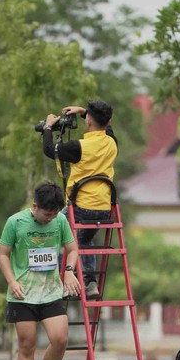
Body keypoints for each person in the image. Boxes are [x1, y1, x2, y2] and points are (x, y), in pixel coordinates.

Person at [0, 181, 80, 360]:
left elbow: (72, 249)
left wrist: (69, 271)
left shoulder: (60, 221)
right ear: (35, 206)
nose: (50, 218)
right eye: (47, 214)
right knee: (27, 345)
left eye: (54, 214)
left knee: (60, 339)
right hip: (22, 294)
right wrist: (12, 281)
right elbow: (3, 255)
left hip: (50, 292)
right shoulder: (15, 222)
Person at [42, 100, 117, 299]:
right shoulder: (111, 142)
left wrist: (48, 126)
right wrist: (84, 111)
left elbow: (50, 149)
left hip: (81, 208)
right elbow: (107, 127)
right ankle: (90, 282)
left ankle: (62, 282)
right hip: (104, 209)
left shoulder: (79, 147)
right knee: (83, 239)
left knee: (55, 231)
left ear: (89, 121)